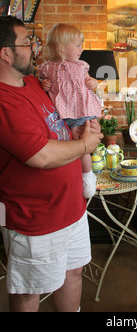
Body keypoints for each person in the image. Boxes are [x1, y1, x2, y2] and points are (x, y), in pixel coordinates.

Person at [0, 16, 102, 312]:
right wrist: (84, 146)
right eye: (26, 43)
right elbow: (40, 155)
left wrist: (79, 131)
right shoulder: (5, 100)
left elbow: (59, 122)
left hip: (70, 208)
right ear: (6, 53)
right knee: (30, 290)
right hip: (37, 218)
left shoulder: (33, 83)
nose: (34, 48)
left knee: (73, 272)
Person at [38, 23, 103, 198]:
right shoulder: (48, 67)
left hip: (81, 111)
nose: (81, 49)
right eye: (77, 45)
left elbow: (92, 81)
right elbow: (41, 82)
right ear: (61, 48)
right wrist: (44, 84)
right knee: (70, 145)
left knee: (80, 141)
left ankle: (88, 176)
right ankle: (79, 175)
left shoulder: (81, 66)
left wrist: (93, 83)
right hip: (62, 113)